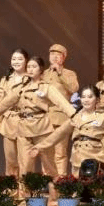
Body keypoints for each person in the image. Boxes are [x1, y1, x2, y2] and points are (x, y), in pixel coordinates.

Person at [0, 56, 76, 178]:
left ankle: (54, 187)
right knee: (25, 166)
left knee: (49, 164)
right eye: (28, 66)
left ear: (41, 70)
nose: (30, 69)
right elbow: (5, 103)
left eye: (34, 66)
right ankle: (24, 190)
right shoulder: (22, 87)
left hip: (42, 129)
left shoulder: (46, 87)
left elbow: (62, 103)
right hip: (23, 129)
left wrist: (75, 116)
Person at [28, 85, 104, 177]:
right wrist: (39, 147)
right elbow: (58, 134)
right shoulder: (76, 117)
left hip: (95, 160)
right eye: (83, 97)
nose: (86, 100)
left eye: (90, 97)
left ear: (97, 100)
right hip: (77, 160)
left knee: (94, 192)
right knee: (79, 192)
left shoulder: (103, 117)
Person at [0, 48, 29, 177]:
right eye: (14, 59)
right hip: (9, 122)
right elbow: (0, 104)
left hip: (26, 123)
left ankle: (24, 187)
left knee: (25, 161)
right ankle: (11, 186)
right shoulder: (5, 79)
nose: (16, 61)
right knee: (11, 159)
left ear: (26, 61)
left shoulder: (31, 78)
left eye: (20, 59)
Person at [41, 44, 79, 176]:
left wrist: (60, 73)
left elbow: (74, 88)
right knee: (45, 152)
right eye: (52, 54)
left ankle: (61, 180)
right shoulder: (43, 74)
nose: (55, 57)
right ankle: (47, 180)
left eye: (58, 55)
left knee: (60, 152)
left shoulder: (69, 73)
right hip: (44, 118)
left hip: (60, 118)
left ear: (64, 58)